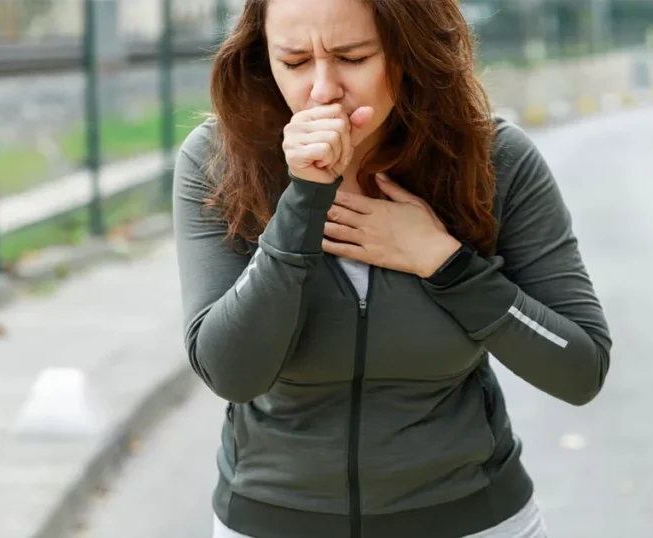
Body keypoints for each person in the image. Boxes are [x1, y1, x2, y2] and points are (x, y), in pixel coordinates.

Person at [171, 0, 612, 537]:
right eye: (294, 61)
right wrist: (304, 201)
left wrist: (445, 264)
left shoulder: (495, 159)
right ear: (264, 59)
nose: (322, 90)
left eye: (352, 58)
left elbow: (580, 368)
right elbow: (231, 372)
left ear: (409, 51)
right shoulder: (219, 160)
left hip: (475, 520)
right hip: (271, 522)